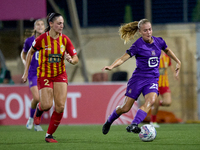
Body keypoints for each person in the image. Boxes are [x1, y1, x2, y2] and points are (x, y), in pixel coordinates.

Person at [102, 19, 181, 135]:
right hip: (138, 80)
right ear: (140, 32)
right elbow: (122, 58)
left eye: (150, 29)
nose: (148, 32)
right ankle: (109, 121)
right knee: (125, 108)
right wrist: (112, 66)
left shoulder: (159, 41)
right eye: (145, 31)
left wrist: (178, 61)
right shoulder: (138, 45)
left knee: (151, 101)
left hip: (152, 80)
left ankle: (134, 124)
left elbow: (167, 50)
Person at [22, 12, 79, 143]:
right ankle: (39, 110)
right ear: (51, 24)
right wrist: (26, 72)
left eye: (63, 23)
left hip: (60, 75)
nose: (61, 26)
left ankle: (49, 135)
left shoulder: (65, 39)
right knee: (47, 105)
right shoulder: (42, 39)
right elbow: (30, 52)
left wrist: (71, 60)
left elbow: (76, 58)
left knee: (60, 107)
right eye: (59, 23)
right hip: (44, 74)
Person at [21, 19, 45, 131]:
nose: (40, 26)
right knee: (36, 97)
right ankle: (31, 118)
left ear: (44, 27)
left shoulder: (48, 40)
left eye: (42, 24)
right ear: (35, 28)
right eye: (38, 25)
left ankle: (37, 123)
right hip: (33, 73)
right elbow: (23, 53)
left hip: (45, 74)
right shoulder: (29, 41)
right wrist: (26, 64)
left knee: (44, 101)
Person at [150, 51, 179, 128]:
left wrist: (174, 73)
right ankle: (153, 122)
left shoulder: (167, 57)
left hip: (164, 84)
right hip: (154, 84)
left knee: (168, 102)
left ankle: (155, 104)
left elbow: (171, 65)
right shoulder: (152, 58)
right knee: (155, 103)